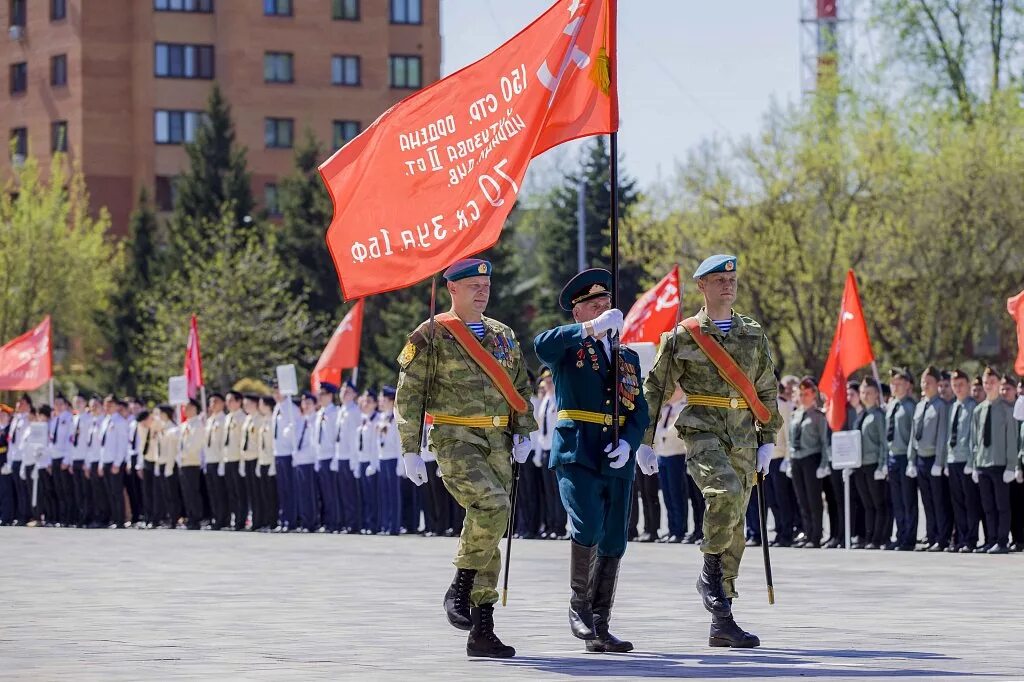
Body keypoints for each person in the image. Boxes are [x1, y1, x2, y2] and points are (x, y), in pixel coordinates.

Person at [396, 258, 534, 659]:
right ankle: (460, 585)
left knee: (490, 524)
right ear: (452, 289)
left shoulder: (503, 334)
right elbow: (409, 394)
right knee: (492, 506)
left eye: (485, 284)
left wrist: (524, 430)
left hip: (497, 441)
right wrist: (409, 448)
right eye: (473, 284)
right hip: (455, 438)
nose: (482, 291)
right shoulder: (432, 334)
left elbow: (520, 384)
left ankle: (482, 627)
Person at [643, 254, 781, 649]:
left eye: (732, 278)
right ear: (701, 285)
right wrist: (644, 441)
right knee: (725, 496)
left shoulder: (752, 332)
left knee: (736, 525)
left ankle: (723, 617)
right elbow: (656, 390)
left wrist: (768, 436)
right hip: (703, 429)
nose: (728, 285)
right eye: (719, 279)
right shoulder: (682, 337)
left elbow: (766, 385)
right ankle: (708, 573)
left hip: (744, 434)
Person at [535, 267, 653, 654]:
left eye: (607, 302)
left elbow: (639, 409)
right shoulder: (570, 347)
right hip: (578, 450)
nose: (604, 307)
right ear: (578, 312)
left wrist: (631, 443)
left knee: (616, 538)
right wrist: (590, 330)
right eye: (593, 304)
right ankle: (578, 606)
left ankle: (600, 624)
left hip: (615, 454)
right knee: (586, 524)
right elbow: (541, 345)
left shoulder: (627, 357)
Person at [968, 367, 1018, 553]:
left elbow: (1011, 440)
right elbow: (975, 441)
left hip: (1000, 464)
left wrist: (1011, 466)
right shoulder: (978, 410)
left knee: (1002, 506)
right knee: (987, 506)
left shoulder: (1006, 410)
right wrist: (974, 465)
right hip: (983, 464)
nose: (989, 386)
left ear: (999, 384)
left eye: (992, 382)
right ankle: (991, 540)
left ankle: (1002, 541)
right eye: (986, 383)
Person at [907, 366, 952, 551]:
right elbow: (913, 435)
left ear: (937, 384)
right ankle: (931, 535)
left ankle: (942, 539)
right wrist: (911, 460)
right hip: (920, 459)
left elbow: (942, 435)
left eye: (929, 382)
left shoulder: (941, 406)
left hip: (934, 459)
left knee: (939, 501)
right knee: (926, 501)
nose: (925, 385)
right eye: (923, 382)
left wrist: (939, 462)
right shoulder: (919, 405)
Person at [788, 377, 831, 549]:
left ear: (814, 395)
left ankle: (816, 536)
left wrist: (823, 464)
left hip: (812, 459)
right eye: (801, 394)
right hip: (796, 459)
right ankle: (807, 532)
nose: (803, 397)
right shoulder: (795, 415)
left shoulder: (818, 416)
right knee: (802, 500)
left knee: (814, 500)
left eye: (806, 394)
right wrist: (789, 461)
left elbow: (824, 442)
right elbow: (791, 440)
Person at [853, 377, 889, 549]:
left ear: (876, 395)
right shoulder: (861, 415)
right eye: (863, 392)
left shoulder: (878, 415)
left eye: (869, 393)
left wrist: (882, 465)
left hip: (874, 464)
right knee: (867, 504)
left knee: (878, 504)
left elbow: (884, 442)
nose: (865, 396)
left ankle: (878, 538)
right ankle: (869, 537)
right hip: (860, 465)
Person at [885, 367, 918, 551]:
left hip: (905, 458)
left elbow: (913, 436)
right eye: (893, 384)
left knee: (908, 500)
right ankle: (900, 534)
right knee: (897, 501)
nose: (895, 387)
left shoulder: (911, 406)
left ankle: (909, 537)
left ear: (908, 385)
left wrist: (911, 460)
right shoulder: (891, 406)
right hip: (892, 457)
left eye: (899, 384)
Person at [534, 370, 567, 539]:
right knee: (549, 492)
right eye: (545, 381)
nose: (547, 383)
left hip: (556, 451)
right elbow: (541, 429)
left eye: (550, 380)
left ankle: (560, 526)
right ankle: (552, 524)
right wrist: (539, 453)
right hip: (546, 450)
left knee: (558, 491)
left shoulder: (559, 399)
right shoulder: (545, 400)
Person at [654, 388, 689, 543]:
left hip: (676, 455)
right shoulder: (667, 408)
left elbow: (671, 431)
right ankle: (671, 528)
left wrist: (661, 431)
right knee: (667, 495)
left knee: (676, 495)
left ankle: (679, 530)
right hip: (663, 454)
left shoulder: (683, 407)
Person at [334, 379, 362, 533]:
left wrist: (354, 459)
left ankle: (353, 523)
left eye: (348, 391)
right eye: (342, 390)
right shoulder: (341, 411)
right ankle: (345, 522)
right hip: (340, 456)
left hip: (350, 458)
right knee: (342, 493)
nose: (344, 393)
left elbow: (354, 438)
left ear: (355, 395)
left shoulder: (354, 411)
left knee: (351, 493)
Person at [271, 387, 300, 532]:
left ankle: (291, 520)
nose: (276, 394)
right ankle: (284, 519)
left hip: (289, 453)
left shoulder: (291, 408)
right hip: (278, 453)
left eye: (278, 391)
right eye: (274, 392)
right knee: (282, 489)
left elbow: (296, 429)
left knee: (290, 489)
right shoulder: (277, 408)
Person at [313, 383, 341, 533]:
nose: (320, 397)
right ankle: (326, 521)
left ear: (330, 395)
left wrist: (335, 456)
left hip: (331, 456)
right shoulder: (319, 413)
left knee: (332, 493)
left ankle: (334, 522)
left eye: (322, 394)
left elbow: (336, 437)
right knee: (323, 493)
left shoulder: (335, 412)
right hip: (321, 457)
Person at [99, 396, 129, 529]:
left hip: (115, 462)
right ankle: (114, 518)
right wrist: (101, 463)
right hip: (106, 461)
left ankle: (120, 520)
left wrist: (117, 463)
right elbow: (102, 445)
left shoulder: (120, 421)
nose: (107, 408)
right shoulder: (105, 421)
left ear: (117, 406)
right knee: (109, 492)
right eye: (106, 405)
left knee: (117, 493)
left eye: (110, 405)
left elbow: (122, 444)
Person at [376, 386, 403, 535]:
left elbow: (399, 444)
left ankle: (394, 526)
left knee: (393, 495)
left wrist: (400, 463)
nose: (380, 401)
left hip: (393, 459)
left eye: (383, 398)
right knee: (384, 494)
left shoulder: (395, 418)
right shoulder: (382, 417)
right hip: (383, 458)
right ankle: (385, 525)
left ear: (391, 400)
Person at [292, 392, 318, 532]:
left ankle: (313, 521)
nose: (305, 406)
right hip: (300, 460)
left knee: (311, 494)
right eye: (304, 403)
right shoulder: (300, 421)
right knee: (302, 494)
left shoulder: (316, 420)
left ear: (315, 405)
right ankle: (305, 521)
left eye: (309, 403)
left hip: (311, 461)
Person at [203, 393, 229, 530]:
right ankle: (215, 517)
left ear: (222, 403)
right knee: (212, 492)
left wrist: (222, 462)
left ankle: (223, 519)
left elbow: (224, 443)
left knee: (220, 493)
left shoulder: (224, 420)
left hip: (219, 460)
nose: (212, 405)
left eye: (215, 402)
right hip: (209, 459)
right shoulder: (209, 421)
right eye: (211, 402)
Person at [178, 399, 205, 530]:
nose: (185, 410)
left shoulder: (198, 424)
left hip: (192, 462)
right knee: (186, 492)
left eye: (188, 407)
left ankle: (196, 518)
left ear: (195, 408)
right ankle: (190, 516)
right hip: (183, 463)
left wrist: (185, 454)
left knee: (193, 491)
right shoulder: (184, 425)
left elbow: (196, 444)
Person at [356, 390, 380, 534]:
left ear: (375, 404)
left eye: (369, 401)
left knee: (373, 497)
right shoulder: (362, 419)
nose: (365, 404)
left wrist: (373, 463)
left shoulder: (377, 420)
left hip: (372, 463)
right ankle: (366, 523)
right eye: (363, 401)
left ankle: (374, 524)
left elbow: (375, 445)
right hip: (362, 460)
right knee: (364, 496)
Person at [222, 391, 246, 531]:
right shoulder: (228, 418)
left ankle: (241, 520)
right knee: (231, 491)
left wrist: (242, 461)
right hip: (228, 458)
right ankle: (235, 517)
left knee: (240, 492)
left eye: (231, 400)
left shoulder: (243, 417)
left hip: (238, 458)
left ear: (239, 401)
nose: (228, 403)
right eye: (227, 400)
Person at [239, 394, 263, 531]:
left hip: (256, 458)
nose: (246, 406)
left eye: (248, 404)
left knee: (257, 492)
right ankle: (253, 518)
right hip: (247, 458)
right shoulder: (247, 419)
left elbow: (260, 443)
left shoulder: (260, 419)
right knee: (251, 493)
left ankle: (259, 519)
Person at [49, 394, 74, 526]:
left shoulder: (69, 419)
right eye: (56, 403)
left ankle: (69, 518)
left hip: (64, 458)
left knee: (67, 490)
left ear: (65, 405)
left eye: (60, 403)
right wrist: (49, 460)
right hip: (54, 457)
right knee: (58, 490)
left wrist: (67, 459)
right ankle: (61, 517)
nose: (58, 406)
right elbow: (51, 442)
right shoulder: (54, 420)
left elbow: (70, 441)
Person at [69, 395, 92, 528]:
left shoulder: (88, 419)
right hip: (75, 459)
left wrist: (87, 462)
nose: (77, 404)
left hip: (84, 459)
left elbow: (89, 443)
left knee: (86, 491)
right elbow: (71, 442)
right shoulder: (74, 419)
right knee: (77, 491)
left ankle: (87, 517)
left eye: (79, 402)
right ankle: (80, 516)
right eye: (75, 402)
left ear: (85, 403)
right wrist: (71, 461)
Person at [255, 395, 278, 532]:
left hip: (271, 461)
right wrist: (259, 463)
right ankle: (266, 521)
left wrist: (274, 463)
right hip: (263, 461)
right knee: (264, 495)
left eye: (262, 404)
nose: (259, 406)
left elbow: (275, 443)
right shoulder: (263, 422)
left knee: (272, 495)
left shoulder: (273, 421)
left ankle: (273, 521)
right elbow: (260, 445)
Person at [135, 409, 158, 527]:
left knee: (156, 492)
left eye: (144, 422)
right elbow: (141, 446)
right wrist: (139, 465)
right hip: (146, 461)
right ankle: (148, 518)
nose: (142, 425)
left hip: (157, 462)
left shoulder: (158, 425)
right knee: (147, 492)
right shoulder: (141, 427)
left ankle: (156, 518)